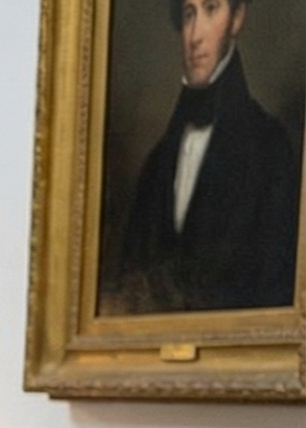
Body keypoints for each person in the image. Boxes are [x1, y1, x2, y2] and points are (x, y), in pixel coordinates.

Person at [108, 0, 299, 314]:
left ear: (237, 19)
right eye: (188, 14)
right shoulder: (156, 165)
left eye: (211, 10)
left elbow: (277, 294)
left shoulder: (270, 149)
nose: (195, 35)